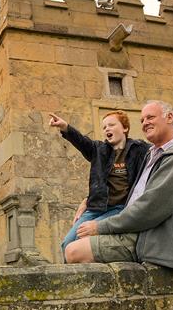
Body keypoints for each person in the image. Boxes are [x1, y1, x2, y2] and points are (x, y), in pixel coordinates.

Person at [66, 100, 173, 269]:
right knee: (69, 243)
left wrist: (101, 227)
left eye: (150, 117)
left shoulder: (169, 155)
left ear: (170, 117)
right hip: (129, 226)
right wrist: (87, 199)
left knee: (73, 251)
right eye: (141, 120)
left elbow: (150, 207)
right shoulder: (151, 154)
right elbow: (86, 146)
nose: (145, 123)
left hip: (148, 237)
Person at [49, 110, 149, 258]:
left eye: (111, 125)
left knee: (84, 238)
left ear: (125, 128)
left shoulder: (139, 149)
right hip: (96, 208)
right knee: (67, 243)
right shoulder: (98, 149)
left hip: (120, 209)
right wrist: (65, 127)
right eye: (104, 127)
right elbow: (82, 141)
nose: (107, 129)